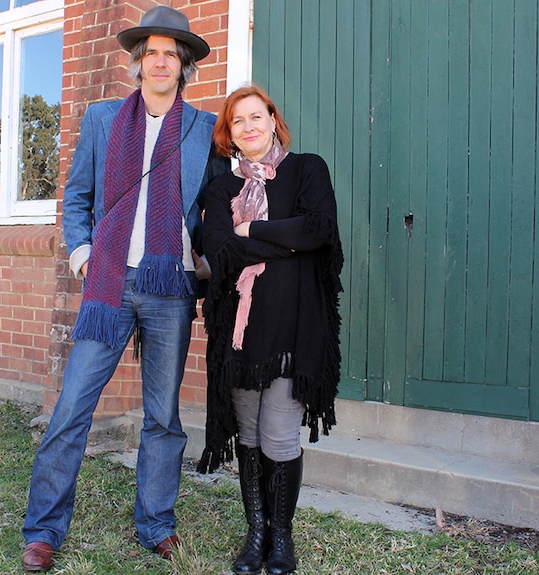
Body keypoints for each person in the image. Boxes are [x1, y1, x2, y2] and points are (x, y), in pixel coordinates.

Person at [20, 6, 228, 572]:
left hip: (170, 289)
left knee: (163, 415)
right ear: (138, 63)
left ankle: (156, 523)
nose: (160, 62)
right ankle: (43, 530)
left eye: (171, 54)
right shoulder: (102, 118)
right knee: (71, 409)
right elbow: (78, 194)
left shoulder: (204, 128)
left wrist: (211, 259)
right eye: (151, 53)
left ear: (184, 66)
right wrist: (82, 253)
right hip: (108, 281)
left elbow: (217, 206)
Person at [196, 85, 344, 575]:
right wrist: (288, 240)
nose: (248, 126)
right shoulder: (221, 188)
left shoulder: (307, 169)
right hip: (240, 337)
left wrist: (252, 231)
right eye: (237, 121)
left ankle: (282, 538)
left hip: (294, 327)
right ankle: (255, 533)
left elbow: (319, 231)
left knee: (280, 436)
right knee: (251, 436)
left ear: (273, 120)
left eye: (256, 117)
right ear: (229, 133)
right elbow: (217, 249)